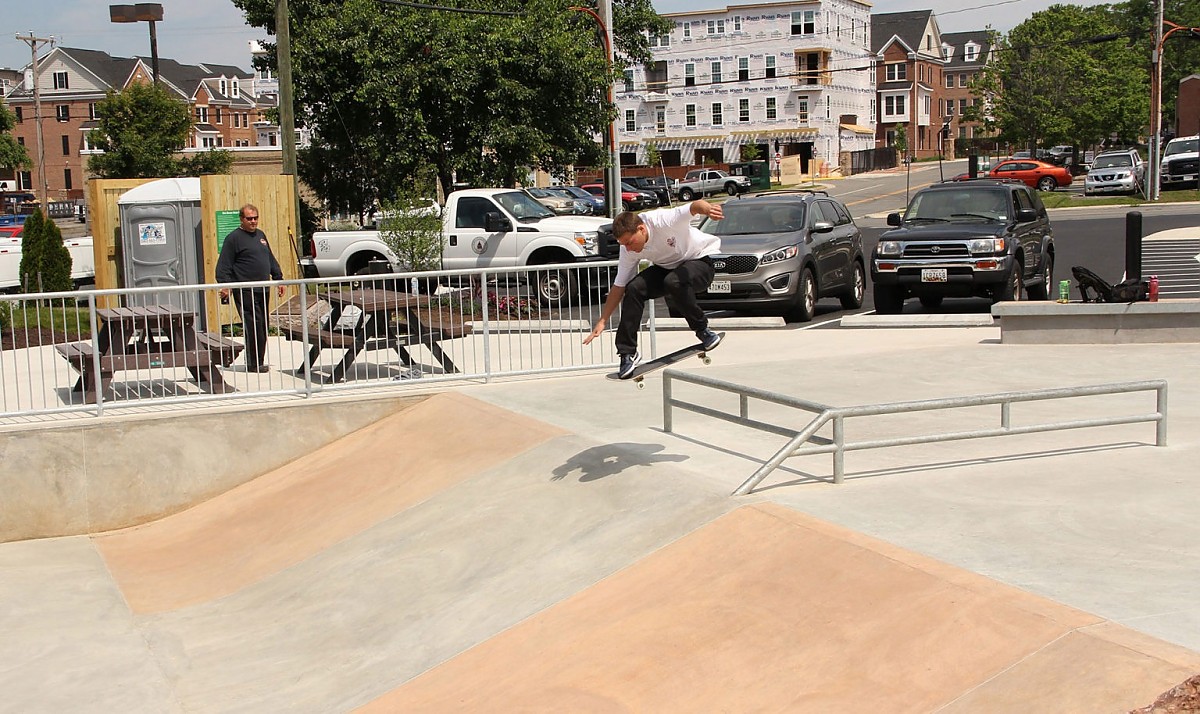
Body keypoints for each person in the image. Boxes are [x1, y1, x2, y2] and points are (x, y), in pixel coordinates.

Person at [583, 200, 724, 379]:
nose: (628, 248)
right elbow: (619, 285)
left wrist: (709, 210)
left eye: (630, 242)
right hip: (667, 269)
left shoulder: (663, 220)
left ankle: (703, 330)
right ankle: (628, 353)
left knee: (673, 282)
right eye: (623, 244)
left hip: (699, 261)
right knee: (634, 288)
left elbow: (694, 207)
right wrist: (603, 320)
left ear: (641, 229)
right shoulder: (627, 250)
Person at [216, 204, 285, 372]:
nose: (253, 221)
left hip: (263, 288)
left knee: (263, 324)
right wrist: (225, 285)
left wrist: (278, 278)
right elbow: (223, 265)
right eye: (249, 218)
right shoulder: (233, 238)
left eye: (255, 218)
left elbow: (269, 258)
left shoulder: (261, 235)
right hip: (245, 289)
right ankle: (253, 363)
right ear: (241, 219)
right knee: (253, 324)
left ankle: (259, 360)